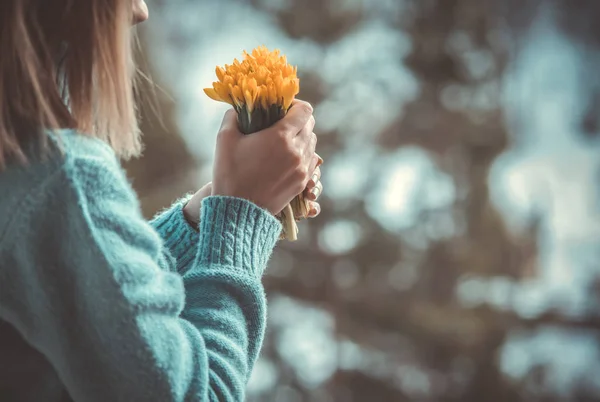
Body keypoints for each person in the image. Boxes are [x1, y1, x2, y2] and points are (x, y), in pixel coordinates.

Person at [0, 1, 323, 401]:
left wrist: (205, 217)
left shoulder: (26, 176)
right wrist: (240, 219)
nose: (140, 10)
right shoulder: (57, 176)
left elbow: (89, 295)